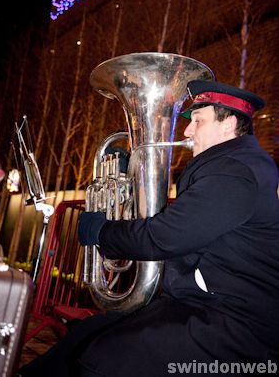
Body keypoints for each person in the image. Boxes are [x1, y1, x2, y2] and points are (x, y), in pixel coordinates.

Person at [19, 80, 279, 377]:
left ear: (228, 124)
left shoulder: (235, 173)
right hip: (204, 307)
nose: (187, 131)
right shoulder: (230, 167)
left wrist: (102, 233)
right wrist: (132, 178)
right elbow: (187, 224)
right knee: (85, 335)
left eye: (197, 121)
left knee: (107, 357)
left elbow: (165, 236)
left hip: (238, 327)